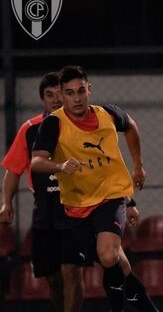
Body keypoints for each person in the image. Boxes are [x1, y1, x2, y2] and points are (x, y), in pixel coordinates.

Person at [30, 66, 158, 312]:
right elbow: (36, 161)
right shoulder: (53, 123)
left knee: (108, 255)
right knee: (119, 265)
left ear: (89, 89)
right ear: (62, 95)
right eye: (69, 93)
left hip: (111, 196)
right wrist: (60, 166)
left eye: (80, 91)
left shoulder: (108, 114)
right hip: (77, 207)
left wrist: (138, 167)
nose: (76, 98)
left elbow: (131, 126)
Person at [1, 72, 89, 312]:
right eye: (49, 95)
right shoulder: (29, 129)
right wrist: (6, 202)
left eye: (59, 93)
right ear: (43, 100)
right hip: (45, 213)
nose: (56, 99)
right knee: (52, 277)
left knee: (72, 271)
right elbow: (13, 169)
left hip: (75, 211)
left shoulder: (83, 125)